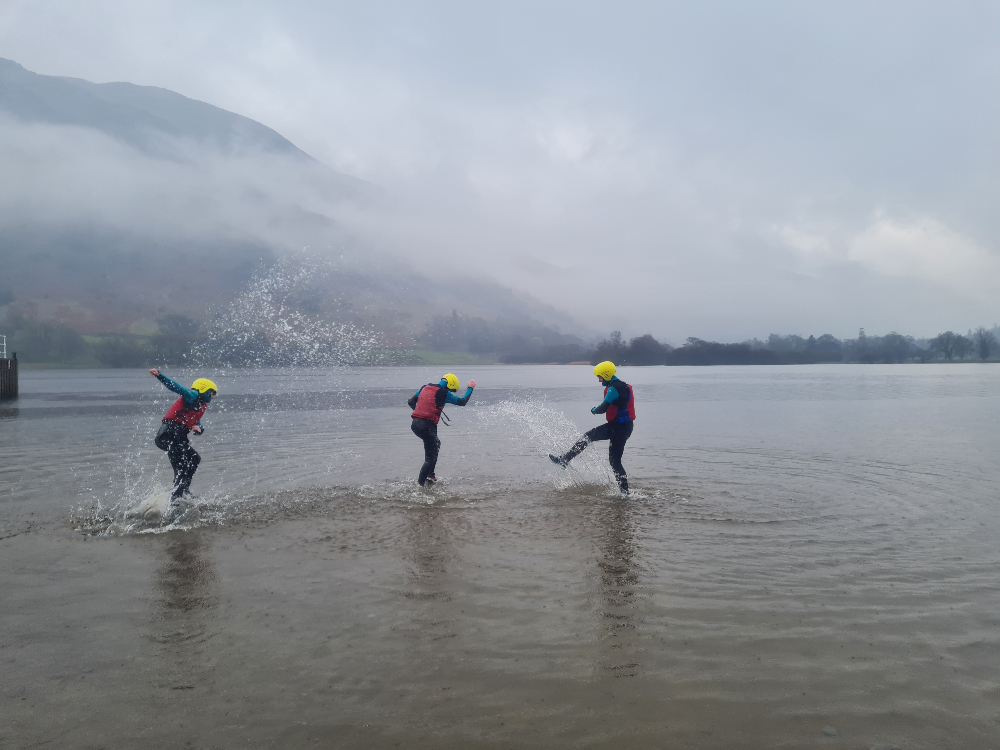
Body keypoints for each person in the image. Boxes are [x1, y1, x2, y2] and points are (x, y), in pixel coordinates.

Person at [549, 361, 635, 493]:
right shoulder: (622, 386)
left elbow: (602, 408)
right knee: (612, 458)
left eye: (600, 377)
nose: (599, 380)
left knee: (608, 455)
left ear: (607, 375)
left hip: (619, 428)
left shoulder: (614, 388)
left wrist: (593, 410)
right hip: (622, 427)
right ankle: (625, 493)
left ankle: (625, 493)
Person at [149, 368, 218, 519]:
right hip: (168, 434)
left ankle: (181, 492)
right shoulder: (193, 395)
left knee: (191, 460)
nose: (213, 397)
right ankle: (175, 499)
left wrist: (199, 429)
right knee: (187, 461)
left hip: (175, 437)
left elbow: (197, 424)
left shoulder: (199, 406)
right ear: (204, 389)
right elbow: (176, 387)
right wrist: (160, 376)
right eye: (213, 393)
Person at [407, 373, 476, 486]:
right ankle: (419, 486)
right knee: (430, 457)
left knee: (434, 444)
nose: (450, 391)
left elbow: (411, 402)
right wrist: (470, 388)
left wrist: (423, 412)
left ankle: (430, 475)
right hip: (427, 426)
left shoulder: (425, 387)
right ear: (450, 384)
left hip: (415, 425)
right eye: (451, 389)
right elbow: (462, 402)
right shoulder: (444, 392)